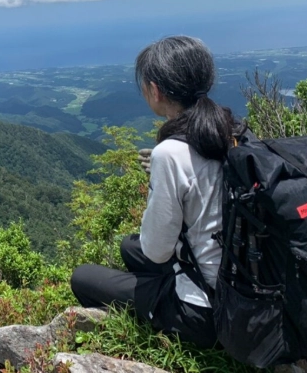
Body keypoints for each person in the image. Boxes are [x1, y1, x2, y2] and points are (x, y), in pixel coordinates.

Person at [69, 35, 236, 348]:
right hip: (241, 276)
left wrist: (158, 180)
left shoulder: (170, 153)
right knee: (127, 246)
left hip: (205, 312)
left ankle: (141, 329)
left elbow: (157, 250)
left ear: (155, 90)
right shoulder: (230, 128)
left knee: (83, 276)